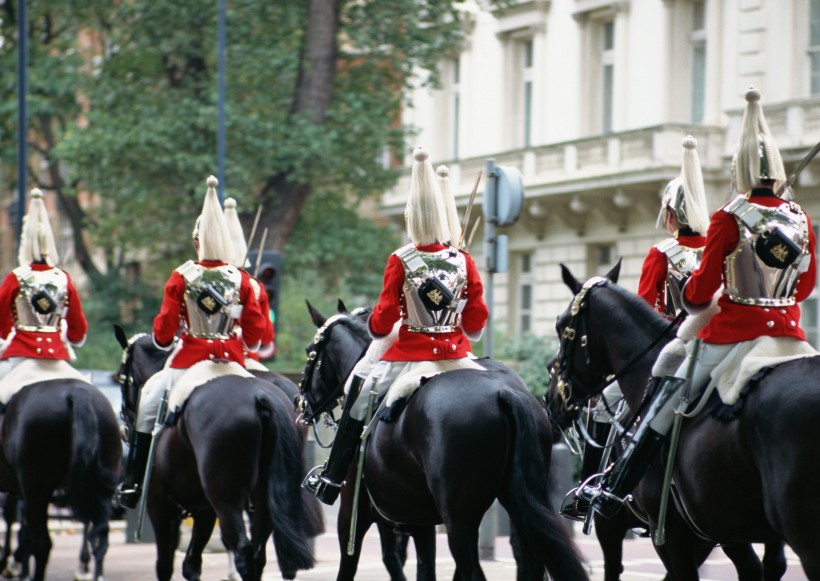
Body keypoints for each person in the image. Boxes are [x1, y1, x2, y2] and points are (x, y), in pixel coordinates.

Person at [582, 87, 817, 519]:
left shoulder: (729, 217)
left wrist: (709, 291)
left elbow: (696, 295)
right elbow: (804, 287)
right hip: (791, 337)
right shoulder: (800, 218)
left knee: (663, 401)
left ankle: (618, 488)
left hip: (732, 336)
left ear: (738, 167)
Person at [302, 147, 489, 506]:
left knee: (358, 390)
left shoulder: (401, 259)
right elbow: (477, 319)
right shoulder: (463, 259)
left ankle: (332, 478)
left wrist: (375, 322)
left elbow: (384, 319)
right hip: (458, 355)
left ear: (411, 218)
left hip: (411, 354)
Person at [561, 135, 712, 521]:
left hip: (671, 351)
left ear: (672, 215)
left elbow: (642, 309)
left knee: (602, 408)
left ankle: (594, 487)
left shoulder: (662, 253)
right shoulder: (717, 246)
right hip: (713, 343)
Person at [118, 176, 267, 509]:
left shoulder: (181, 275)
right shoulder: (242, 279)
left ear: (197, 241)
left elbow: (162, 335)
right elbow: (256, 337)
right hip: (232, 362)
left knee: (147, 403)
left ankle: (135, 482)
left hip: (189, 362)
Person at [0, 188, 87, 377]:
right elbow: (78, 327)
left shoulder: (15, 277)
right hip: (56, 353)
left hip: (21, 352)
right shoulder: (63, 278)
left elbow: (1, 320)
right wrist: (72, 337)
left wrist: (4, 336)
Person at [224, 197, 276, 366]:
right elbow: (266, 335)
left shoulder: (193, 277)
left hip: (199, 353)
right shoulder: (255, 285)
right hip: (244, 357)